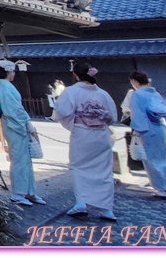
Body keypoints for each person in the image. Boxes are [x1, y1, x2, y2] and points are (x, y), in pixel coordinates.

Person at [52, 62, 118, 221]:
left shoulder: (72, 92)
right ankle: (106, 208)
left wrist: (74, 121)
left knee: (78, 167)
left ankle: (81, 202)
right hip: (101, 134)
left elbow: (60, 111)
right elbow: (113, 117)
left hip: (82, 134)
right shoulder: (103, 94)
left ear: (76, 75)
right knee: (104, 171)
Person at [0, 59, 45, 206]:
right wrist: (26, 121)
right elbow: (13, 109)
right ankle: (18, 193)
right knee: (19, 159)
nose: (14, 73)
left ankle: (28, 191)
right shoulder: (4, 87)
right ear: (7, 71)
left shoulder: (4, 86)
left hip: (16, 125)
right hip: (14, 126)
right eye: (12, 71)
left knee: (24, 159)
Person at [129, 71, 166, 199]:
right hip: (159, 127)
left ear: (134, 81)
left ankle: (161, 189)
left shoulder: (137, 94)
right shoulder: (154, 93)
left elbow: (137, 114)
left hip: (147, 129)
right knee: (164, 159)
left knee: (152, 161)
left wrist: (136, 131)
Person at [119, 88, 145, 171]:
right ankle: (137, 163)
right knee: (136, 142)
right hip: (137, 123)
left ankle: (140, 163)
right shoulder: (132, 92)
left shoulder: (150, 92)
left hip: (143, 123)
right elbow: (125, 107)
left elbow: (125, 108)